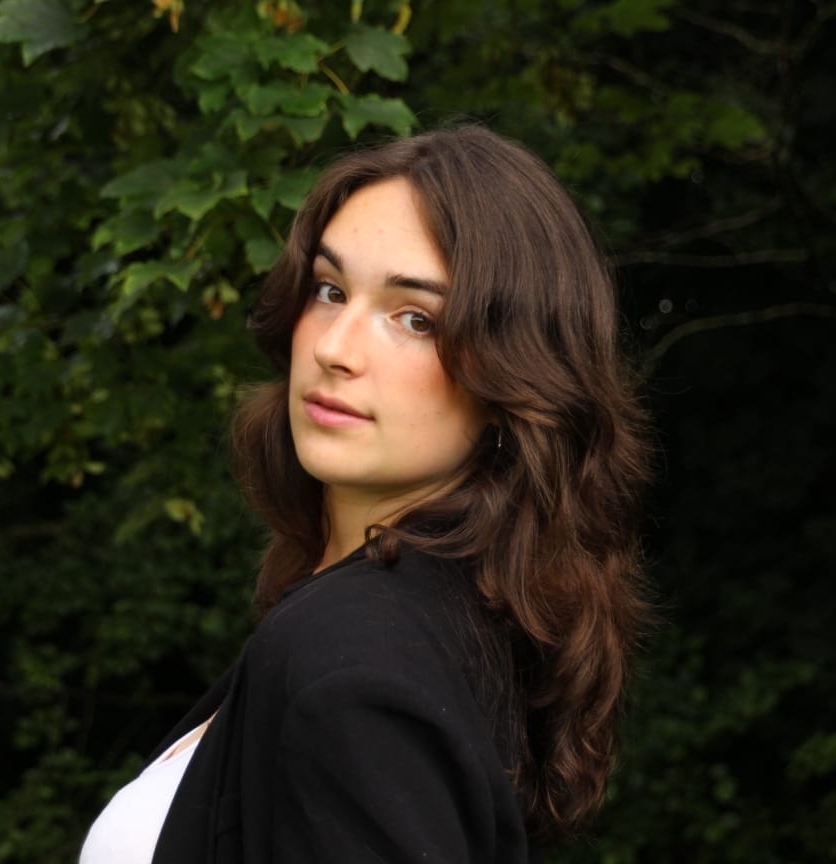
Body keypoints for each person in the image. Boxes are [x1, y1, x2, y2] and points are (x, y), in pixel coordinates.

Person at [80, 125, 651, 864]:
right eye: (330, 291)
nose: (333, 348)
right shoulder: (426, 626)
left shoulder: (355, 661)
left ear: (513, 378)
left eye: (415, 319)